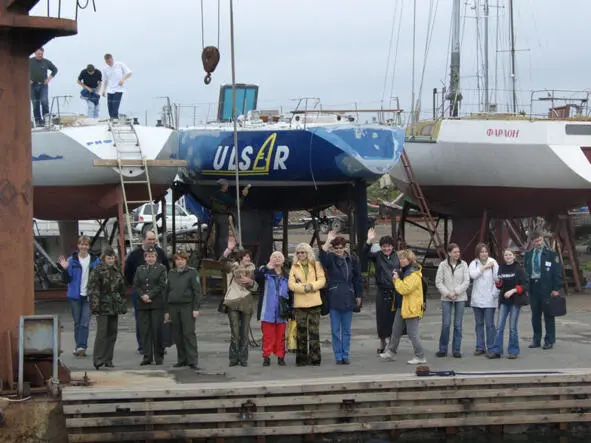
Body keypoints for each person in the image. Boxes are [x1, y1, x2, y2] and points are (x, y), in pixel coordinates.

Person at [320, 231, 363, 365]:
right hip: (334, 296)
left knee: (346, 330)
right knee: (335, 330)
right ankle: (338, 356)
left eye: (341, 247)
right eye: (336, 248)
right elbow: (321, 256)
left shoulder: (352, 259)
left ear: (345, 247)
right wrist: (328, 241)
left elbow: (358, 278)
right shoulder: (330, 259)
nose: (339, 250)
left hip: (348, 295)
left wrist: (358, 295)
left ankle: (345, 354)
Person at [124, 230, 170, 354]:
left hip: (158, 293)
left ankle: (159, 346)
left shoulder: (160, 253)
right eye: (149, 239)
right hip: (139, 294)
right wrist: (139, 291)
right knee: (142, 322)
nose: (152, 242)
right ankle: (143, 346)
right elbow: (128, 274)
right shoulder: (134, 255)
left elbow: (167, 270)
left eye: (154, 239)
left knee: (158, 321)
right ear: (143, 239)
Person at [379, 249, 426, 365]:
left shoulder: (413, 273)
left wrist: (396, 280)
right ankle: (391, 352)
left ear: (410, 260)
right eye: (400, 259)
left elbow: (404, 289)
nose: (402, 261)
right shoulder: (404, 271)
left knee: (412, 333)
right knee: (395, 330)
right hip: (402, 306)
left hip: (412, 308)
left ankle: (420, 356)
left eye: (404, 258)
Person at [58, 236, 100, 357]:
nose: (84, 247)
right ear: (78, 245)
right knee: (77, 322)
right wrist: (65, 269)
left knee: (84, 323)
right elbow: (66, 280)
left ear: (89, 246)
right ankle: (78, 346)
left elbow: (99, 278)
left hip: (88, 295)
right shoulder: (71, 260)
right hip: (75, 296)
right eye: (81, 244)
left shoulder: (95, 261)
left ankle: (82, 346)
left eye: (86, 245)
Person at [220, 237, 258, 367]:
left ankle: (243, 359)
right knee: (235, 332)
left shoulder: (253, 270)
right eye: (245, 257)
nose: (247, 259)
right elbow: (222, 262)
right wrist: (228, 249)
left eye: (249, 257)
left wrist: (251, 282)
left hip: (246, 302)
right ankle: (233, 358)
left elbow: (256, 288)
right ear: (240, 258)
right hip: (233, 301)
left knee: (245, 332)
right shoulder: (233, 267)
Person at [88, 248, 126, 370]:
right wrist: (95, 307)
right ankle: (98, 359)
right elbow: (93, 289)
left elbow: (121, 288)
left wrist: (121, 303)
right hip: (102, 305)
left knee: (112, 333)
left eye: (112, 258)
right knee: (102, 334)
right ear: (104, 258)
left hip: (114, 305)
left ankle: (108, 359)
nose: (110, 260)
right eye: (108, 258)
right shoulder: (98, 270)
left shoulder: (117, 270)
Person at [288, 243, 326, 366]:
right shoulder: (294, 267)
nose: (300, 255)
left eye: (303, 252)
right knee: (301, 332)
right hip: (299, 304)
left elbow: (322, 280)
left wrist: (312, 286)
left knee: (314, 332)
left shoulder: (316, 265)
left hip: (315, 302)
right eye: (298, 252)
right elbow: (291, 285)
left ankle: (315, 358)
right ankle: (301, 359)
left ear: (308, 252)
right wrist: (305, 288)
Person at [487, 249, 529, 359]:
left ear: (514, 256)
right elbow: (501, 285)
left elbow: (526, 285)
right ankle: (496, 350)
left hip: (515, 301)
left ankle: (513, 350)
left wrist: (514, 290)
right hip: (504, 301)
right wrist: (497, 283)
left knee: (512, 327)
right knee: (500, 326)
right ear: (504, 256)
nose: (508, 256)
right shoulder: (501, 267)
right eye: (506, 255)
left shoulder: (519, 268)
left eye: (510, 255)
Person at [524, 232, 563, 350]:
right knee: (535, 315)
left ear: (543, 240)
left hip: (546, 287)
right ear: (532, 242)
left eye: (540, 240)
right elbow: (526, 272)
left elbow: (557, 272)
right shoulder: (529, 254)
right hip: (533, 287)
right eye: (536, 241)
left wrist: (556, 288)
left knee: (548, 314)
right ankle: (536, 340)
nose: (538, 243)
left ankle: (549, 340)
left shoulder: (551, 254)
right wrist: (526, 287)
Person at [363, 228, 399, 353]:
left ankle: (391, 343)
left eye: (388, 246)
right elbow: (364, 253)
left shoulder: (398, 257)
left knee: (393, 318)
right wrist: (369, 240)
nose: (386, 249)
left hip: (395, 291)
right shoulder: (378, 256)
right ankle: (382, 341)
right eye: (384, 247)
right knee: (382, 318)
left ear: (393, 247)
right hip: (382, 290)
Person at [166, 251, 201, 370]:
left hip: (187, 306)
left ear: (186, 261)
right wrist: (167, 310)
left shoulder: (192, 272)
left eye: (182, 259)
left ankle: (192, 360)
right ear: (174, 261)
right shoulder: (171, 273)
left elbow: (197, 291)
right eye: (177, 259)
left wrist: (196, 308)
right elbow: (166, 291)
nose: (180, 262)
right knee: (177, 334)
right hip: (173, 307)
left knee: (188, 333)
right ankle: (182, 359)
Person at [132, 247, 168, 366]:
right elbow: (136, 285)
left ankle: (159, 356)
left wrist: (149, 295)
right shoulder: (140, 269)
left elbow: (161, 284)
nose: (150, 258)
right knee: (145, 331)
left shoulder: (161, 268)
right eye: (148, 256)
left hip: (156, 303)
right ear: (145, 257)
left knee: (157, 330)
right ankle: (147, 356)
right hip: (142, 304)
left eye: (152, 256)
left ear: (156, 257)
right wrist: (142, 295)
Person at [255, 251, 291, 367]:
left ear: (283, 260)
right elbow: (257, 278)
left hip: (282, 310)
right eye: (274, 257)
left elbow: (291, 294)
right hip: (267, 310)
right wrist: (267, 267)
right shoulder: (265, 272)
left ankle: (281, 357)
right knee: (267, 336)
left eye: (279, 257)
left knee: (281, 336)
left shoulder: (287, 276)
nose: (276, 259)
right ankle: (266, 356)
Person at [435, 243, 470, 358]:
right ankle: (443, 348)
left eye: (458, 252)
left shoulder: (464, 264)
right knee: (446, 324)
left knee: (458, 325)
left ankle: (456, 349)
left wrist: (456, 292)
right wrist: (448, 293)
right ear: (449, 253)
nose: (457, 254)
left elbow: (466, 281)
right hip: (446, 298)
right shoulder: (442, 265)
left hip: (460, 297)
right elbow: (438, 282)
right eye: (455, 252)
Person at [468, 243, 499, 355]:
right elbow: (473, 275)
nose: (484, 254)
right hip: (477, 299)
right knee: (479, 324)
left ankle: (491, 347)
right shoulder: (473, 263)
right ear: (478, 253)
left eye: (485, 251)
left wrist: (494, 294)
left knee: (490, 325)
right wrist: (484, 268)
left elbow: (497, 280)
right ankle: (480, 346)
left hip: (489, 299)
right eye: (481, 252)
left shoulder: (494, 262)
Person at [29, 47, 58, 127]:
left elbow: (55, 69)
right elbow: (21, 69)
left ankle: (46, 120)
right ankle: (38, 121)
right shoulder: (30, 61)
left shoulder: (46, 62)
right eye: (38, 54)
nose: (40, 55)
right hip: (32, 85)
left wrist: (49, 79)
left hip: (43, 85)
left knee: (44, 101)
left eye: (41, 54)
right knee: (35, 103)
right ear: (35, 53)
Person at [101, 53, 132, 119]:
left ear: (112, 59)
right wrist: (104, 90)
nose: (108, 63)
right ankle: (113, 120)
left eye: (109, 61)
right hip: (110, 90)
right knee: (110, 108)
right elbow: (106, 80)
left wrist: (123, 79)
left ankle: (115, 120)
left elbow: (129, 73)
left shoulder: (119, 64)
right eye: (106, 62)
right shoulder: (105, 69)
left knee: (115, 106)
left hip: (119, 89)